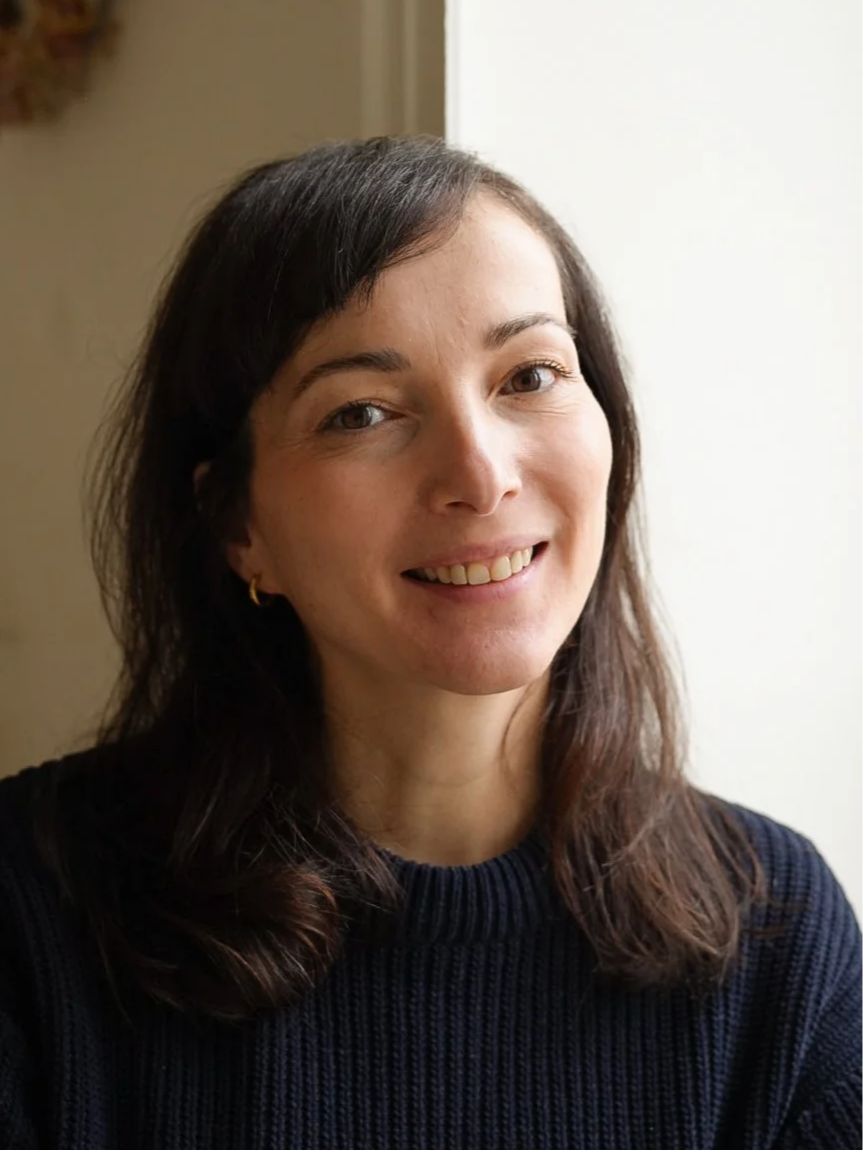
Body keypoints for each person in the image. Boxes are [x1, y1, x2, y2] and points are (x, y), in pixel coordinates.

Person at [0, 135, 860, 1149]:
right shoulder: (32, 904)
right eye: (361, 412)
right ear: (239, 525)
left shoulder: (778, 933)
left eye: (529, 374)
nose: (480, 474)